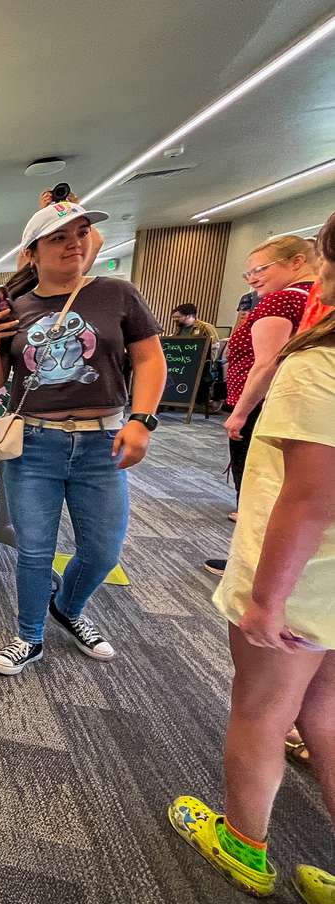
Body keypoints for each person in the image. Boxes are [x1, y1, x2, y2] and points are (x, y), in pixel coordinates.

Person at [169, 211, 335, 904]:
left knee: (263, 707)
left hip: (304, 575)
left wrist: (267, 598)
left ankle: (242, 843)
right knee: (324, 712)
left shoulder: (318, 362)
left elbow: (311, 497)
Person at [0, 201, 166, 675]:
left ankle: (69, 607)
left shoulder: (116, 295)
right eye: (58, 237)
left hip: (102, 442)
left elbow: (148, 360)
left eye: (80, 232)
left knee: (103, 548)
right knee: (35, 549)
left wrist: (142, 419)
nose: (74, 243)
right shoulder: (15, 308)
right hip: (35, 443)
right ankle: (29, 636)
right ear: (33, 252)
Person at [205, 236, 317, 576]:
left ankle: (252, 564)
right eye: (248, 273)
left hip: (265, 408)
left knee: (259, 487)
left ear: (297, 262)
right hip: (297, 408)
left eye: (260, 269)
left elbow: (267, 363)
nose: (253, 278)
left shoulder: (281, 301)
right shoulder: (314, 301)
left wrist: (239, 411)